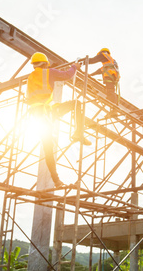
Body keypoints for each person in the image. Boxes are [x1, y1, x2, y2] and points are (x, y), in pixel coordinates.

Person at [27, 52, 91, 187]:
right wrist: (74, 66)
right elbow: (67, 75)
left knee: (48, 148)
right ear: (45, 64)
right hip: (48, 112)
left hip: (38, 115)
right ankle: (78, 133)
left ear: (34, 65)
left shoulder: (30, 78)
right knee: (76, 104)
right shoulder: (48, 72)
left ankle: (57, 181)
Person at [89, 48, 120, 116]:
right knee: (110, 92)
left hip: (110, 76)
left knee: (110, 91)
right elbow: (100, 70)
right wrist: (91, 75)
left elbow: (92, 60)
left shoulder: (104, 55)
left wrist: (82, 61)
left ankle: (115, 109)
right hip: (112, 77)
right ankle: (113, 109)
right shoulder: (110, 62)